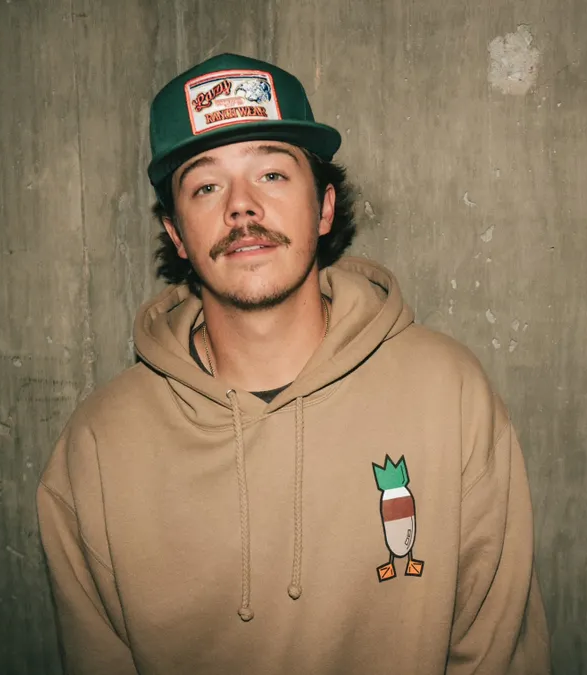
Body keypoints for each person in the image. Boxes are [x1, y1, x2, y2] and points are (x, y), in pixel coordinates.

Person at [37, 53, 551, 674]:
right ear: (176, 234)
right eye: (206, 186)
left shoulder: (449, 394)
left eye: (272, 174)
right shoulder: (98, 447)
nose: (242, 207)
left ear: (325, 207)